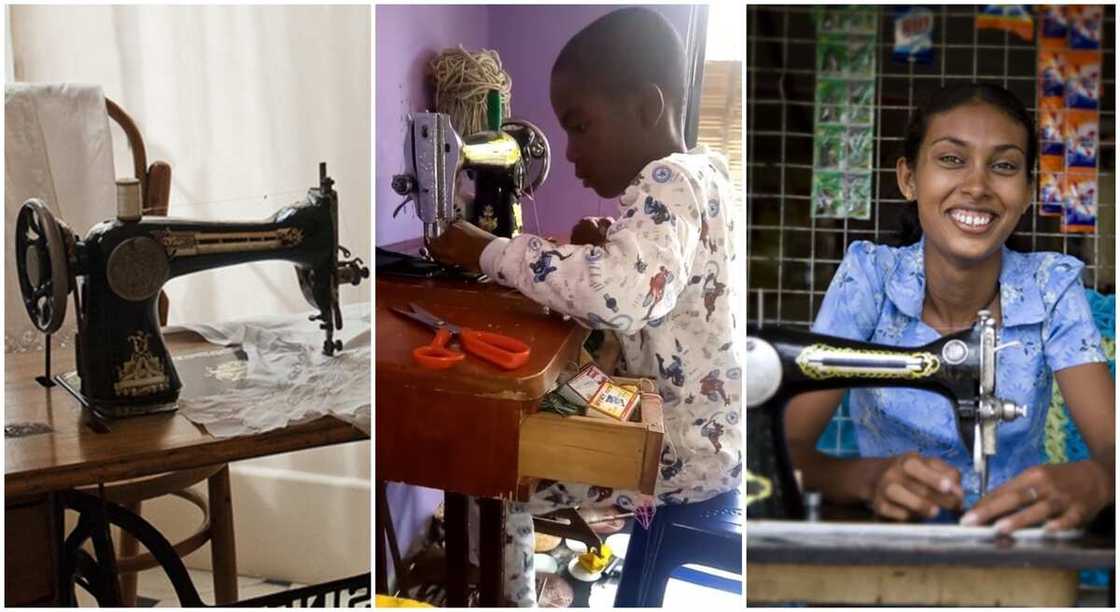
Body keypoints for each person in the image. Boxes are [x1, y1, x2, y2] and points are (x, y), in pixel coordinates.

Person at [427, 7, 742, 606]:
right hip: (707, 434)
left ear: (648, 108)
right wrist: (613, 244)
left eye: (580, 126)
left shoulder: (667, 179)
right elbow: (666, 276)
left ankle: (504, 599)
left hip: (684, 450)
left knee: (492, 471)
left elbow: (619, 296)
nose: (568, 152)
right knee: (524, 431)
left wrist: (488, 252)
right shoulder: (705, 174)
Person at [785, 83, 1114, 535]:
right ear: (908, 179)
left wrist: (1098, 478)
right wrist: (867, 479)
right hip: (885, 549)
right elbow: (788, 453)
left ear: (1028, 191)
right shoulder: (870, 278)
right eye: (951, 159)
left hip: (1014, 548)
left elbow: (1112, 450)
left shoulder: (1050, 287)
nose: (977, 186)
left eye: (1003, 166)